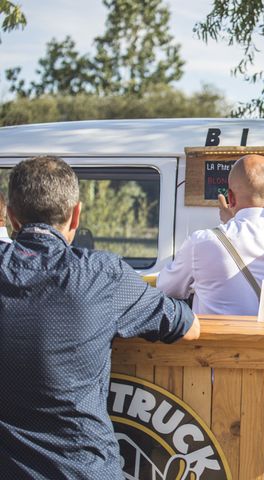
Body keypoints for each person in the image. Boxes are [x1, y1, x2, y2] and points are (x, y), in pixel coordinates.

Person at [0, 156, 200, 479]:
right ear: (76, 214)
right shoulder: (102, 275)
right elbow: (188, 326)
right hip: (85, 470)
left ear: (11, 217)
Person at [158, 154, 264, 315]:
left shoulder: (202, 241)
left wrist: (230, 223)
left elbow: (167, 289)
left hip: (217, 340)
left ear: (230, 197)